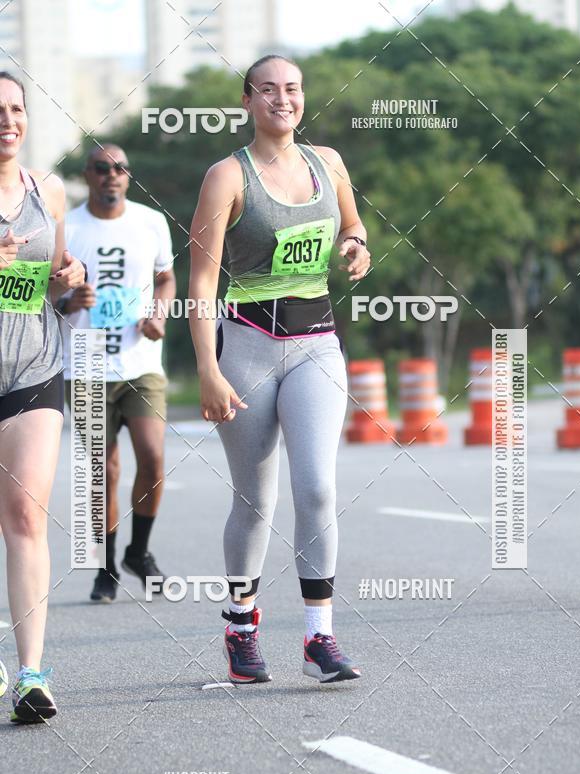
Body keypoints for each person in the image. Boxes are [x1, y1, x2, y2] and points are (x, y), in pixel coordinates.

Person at [188, 55, 370, 684]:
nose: (282, 100)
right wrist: (208, 373)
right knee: (255, 499)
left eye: (291, 88)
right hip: (247, 345)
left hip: (317, 342)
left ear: (303, 96)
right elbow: (203, 281)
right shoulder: (226, 176)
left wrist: (357, 246)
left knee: (316, 485)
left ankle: (320, 635)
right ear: (248, 101)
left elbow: (353, 224)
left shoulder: (329, 163)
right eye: (268, 90)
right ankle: (241, 627)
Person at [0, 72, 86, 722]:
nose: (8, 120)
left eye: (16, 108)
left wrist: (73, 287)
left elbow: (55, 288)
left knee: (27, 517)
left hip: (34, 371)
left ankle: (32, 674)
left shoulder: (45, 191)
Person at [58, 144, 176, 604]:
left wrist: (159, 314)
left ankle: (138, 552)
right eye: (102, 169)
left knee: (152, 459)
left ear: (129, 176)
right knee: (102, 471)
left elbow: (165, 277)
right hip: (84, 359)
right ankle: (105, 568)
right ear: (88, 175)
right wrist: (69, 302)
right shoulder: (67, 227)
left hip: (141, 362)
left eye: (121, 168)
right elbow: (47, 293)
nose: (112, 175)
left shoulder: (150, 222)